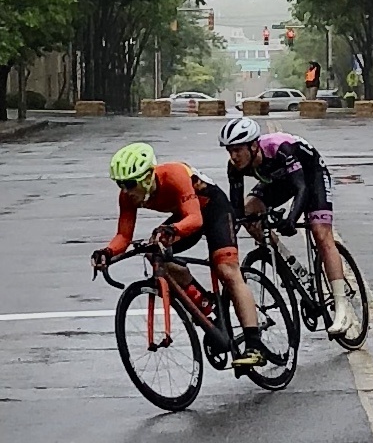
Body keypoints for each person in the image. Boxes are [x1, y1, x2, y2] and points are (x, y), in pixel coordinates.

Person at [90, 142, 266, 366]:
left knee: (227, 270)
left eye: (130, 184)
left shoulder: (174, 174)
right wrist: (107, 252)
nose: (125, 191)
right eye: (120, 184)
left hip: (213, 210)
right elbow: (123, 236)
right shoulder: (127, 196)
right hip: (186, 215)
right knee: (154, 252)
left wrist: (171, 230)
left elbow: (195, 219)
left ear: (147, 177)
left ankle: (255, 345)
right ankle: (205, 304)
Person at [218, 118, 352, 335]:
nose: (233, 156)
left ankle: (342, 308)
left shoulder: (281, 149)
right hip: (279, 180)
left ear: (253, 146)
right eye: (229, 151)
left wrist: (291, 219)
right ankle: (284, 258)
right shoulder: (234, 167)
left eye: (238, 150)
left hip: (310, 176)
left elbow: (301, 188)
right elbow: (237, 212)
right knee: (249, 212)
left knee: (320, 233)